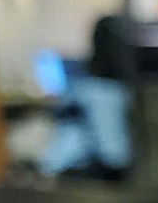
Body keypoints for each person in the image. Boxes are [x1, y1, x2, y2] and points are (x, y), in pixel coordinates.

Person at [39, 15, 135, 180]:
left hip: (64, 169)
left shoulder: (84, 88)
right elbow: (114, 155)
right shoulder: (111, 92)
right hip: (88, 172)